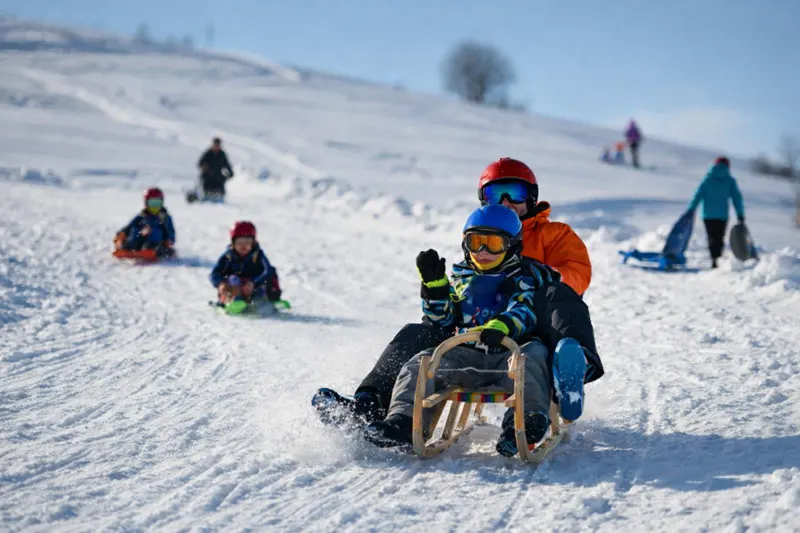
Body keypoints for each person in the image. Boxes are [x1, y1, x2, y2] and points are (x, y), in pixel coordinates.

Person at [312, 158, 594, 427]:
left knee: (560, 297)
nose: (506, 201)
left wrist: (538, 278)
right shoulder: (484, 228)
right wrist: (438, 290)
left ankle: (570, 373)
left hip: (531, 321)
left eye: (516, 193)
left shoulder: (554, 233)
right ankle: (370, 403)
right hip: (478, 327)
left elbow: (578, 272)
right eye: (496, 193)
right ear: (484, 199)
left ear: (531, 197)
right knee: (420, 331)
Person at [362, 205, 599, 455]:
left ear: (512, 245)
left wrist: (504, 325)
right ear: (466, 244)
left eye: (493, 244)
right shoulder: (462, 277)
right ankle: (403, 421)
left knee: (533, 357)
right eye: (476, 243)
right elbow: (441, 321)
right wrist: (435, 289)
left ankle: (524, 424)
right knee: (419, 363)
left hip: (509, 357)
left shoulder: (524, 276)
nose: (483, 252)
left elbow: (525, 308)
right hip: (466, 356)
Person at [210, 221, 288, 313]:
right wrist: (220, 284)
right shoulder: (228, 256)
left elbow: (268, 271)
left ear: (253, 242)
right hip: (234, 289)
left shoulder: (258, 255)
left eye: (247, 242)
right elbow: (214, 273)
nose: (243, 246)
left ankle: (272, 298)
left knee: (272, 272)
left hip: (254, 288)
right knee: (233, 278)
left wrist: (254, 283)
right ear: (233, 243)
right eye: (239, 242)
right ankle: (234, 301)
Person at [687, 157, 745, 268]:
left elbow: (698, 195)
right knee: (719, 237)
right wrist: (740, 214)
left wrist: (692, 209)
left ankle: (714, 258)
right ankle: (717, 258)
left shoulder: (708, 179)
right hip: (722, 215)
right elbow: (737, 198)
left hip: (707, 214)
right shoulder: (730, 181)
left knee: (711, 237)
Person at [114, 187, 175, 256]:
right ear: (146, 203)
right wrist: (121, 234)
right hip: (139, 239)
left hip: (157, 243)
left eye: (157, 203)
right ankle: (128, 247)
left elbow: (171, 232)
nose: (155, 207)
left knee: (156, 232)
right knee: (135, 229)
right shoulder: (141, 216)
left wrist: (169, 241)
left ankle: (151, 249)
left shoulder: (165, 218)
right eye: (152, 204)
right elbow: (129, 226)